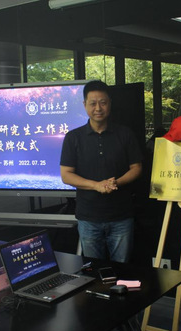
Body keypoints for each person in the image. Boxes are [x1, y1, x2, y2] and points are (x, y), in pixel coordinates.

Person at [60, 80, 143, 263]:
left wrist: (116, 183)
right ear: (85, 105)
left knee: (122, 268)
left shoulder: (125, 134)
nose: (98, 108)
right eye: (93, 103)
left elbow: (136, 168)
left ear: (110, 103)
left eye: (103, 103)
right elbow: (66, 175)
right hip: (88, 218)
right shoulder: (73, 138)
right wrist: (96, 185)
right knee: (93, 270)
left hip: (121, 216)